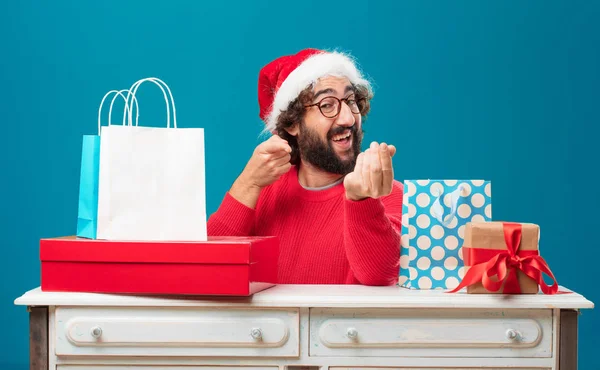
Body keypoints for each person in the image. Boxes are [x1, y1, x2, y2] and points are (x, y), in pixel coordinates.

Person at [207, 48, 403, 286]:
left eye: (351, 101)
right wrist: (247, 183)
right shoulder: (263, 193)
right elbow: (208, 269)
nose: (348, 119)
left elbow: (381, 276)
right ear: (292, 123)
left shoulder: (386, 194)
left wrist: (361, 200)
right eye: (327, 105)